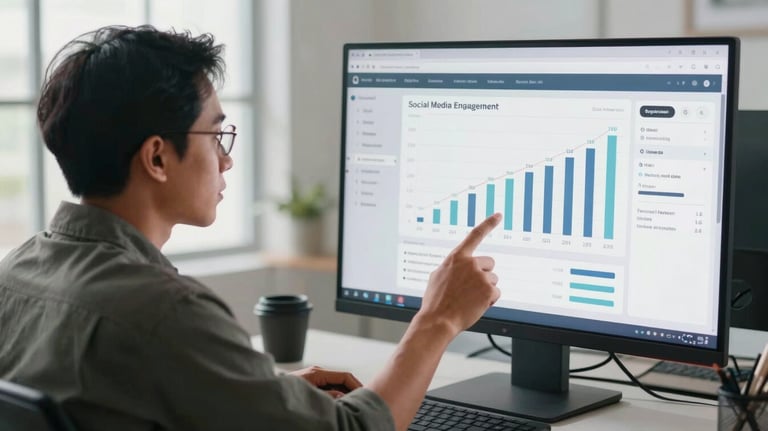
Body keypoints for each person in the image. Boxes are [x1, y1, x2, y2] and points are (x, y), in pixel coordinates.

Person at [0, 25, 501, 431]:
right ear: (157, 156)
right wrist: (438, 319)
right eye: (215, 135)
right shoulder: (165, 313)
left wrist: (255, 394)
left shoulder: (15, 272)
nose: (227, 159)